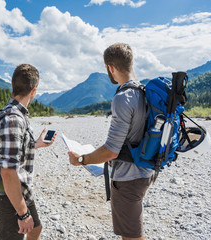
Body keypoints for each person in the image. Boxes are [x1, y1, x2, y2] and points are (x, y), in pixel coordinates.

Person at [68, 43, 154, 240]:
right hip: (145, 171)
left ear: (110, 68)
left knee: (131, 236)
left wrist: (81, 159)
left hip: (128, 178)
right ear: (131, 63)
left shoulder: (123, 98)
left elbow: (111, 151)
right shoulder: (145, 92)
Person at [0, 64, 56, 240]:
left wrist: (35, 144)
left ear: (13, 86)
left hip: (22, 191)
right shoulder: (13, 119)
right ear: (34, 91)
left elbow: (11, 150)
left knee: (36, 228)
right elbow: (7, 171)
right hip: (10, 194)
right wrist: (22, 214)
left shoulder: (17, 116)